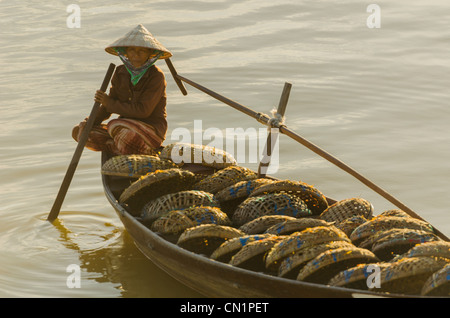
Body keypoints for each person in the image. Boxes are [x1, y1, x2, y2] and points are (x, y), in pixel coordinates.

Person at [72, 24, 172, 155]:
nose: (136, 54)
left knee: (116, 127)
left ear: (149, 54)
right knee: (79, 131)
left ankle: (120, 147)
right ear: (126, 53)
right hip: (123, 128)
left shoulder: (156, 76)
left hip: (150, 131)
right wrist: (89, 122)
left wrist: (108, 102)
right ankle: (115, 146)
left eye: (141, 50)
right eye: (132, 50)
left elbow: (143, 111)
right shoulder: (120, 72)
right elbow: (108, 106)